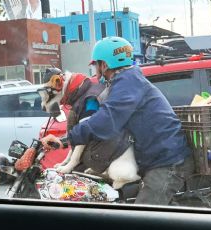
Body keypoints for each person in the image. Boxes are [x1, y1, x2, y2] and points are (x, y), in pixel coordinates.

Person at [41, 36, 194, 205]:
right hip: (155, 158)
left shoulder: (128, 82)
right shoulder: (126, 81)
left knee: (142, 218)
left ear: (104, 65)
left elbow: (106, 120)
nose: (95, 71)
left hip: (169, 162)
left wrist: (69, 139)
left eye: (96, 65)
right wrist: (64, 141)